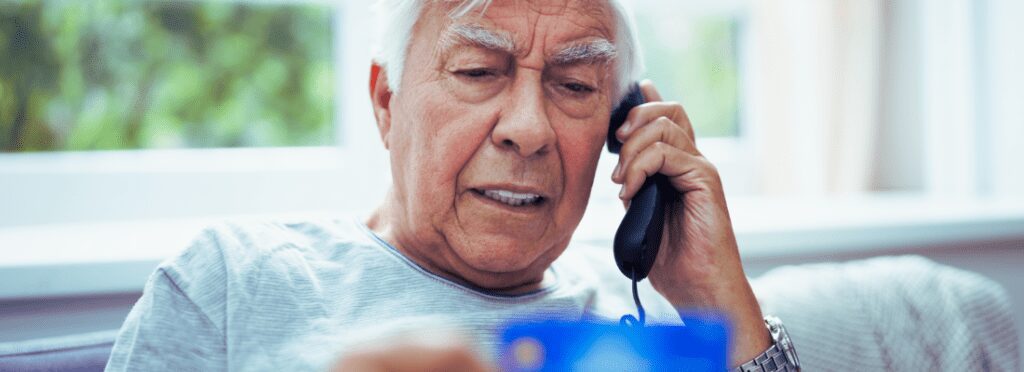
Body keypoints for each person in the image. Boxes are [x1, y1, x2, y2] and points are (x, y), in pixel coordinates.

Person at [111, 0, 1024, 370]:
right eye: (477, 72)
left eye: (577, 86)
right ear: (386, 102)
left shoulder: (646, 334)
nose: (530, 126)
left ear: (624, 122)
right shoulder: (232, 281)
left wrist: (726, 305)